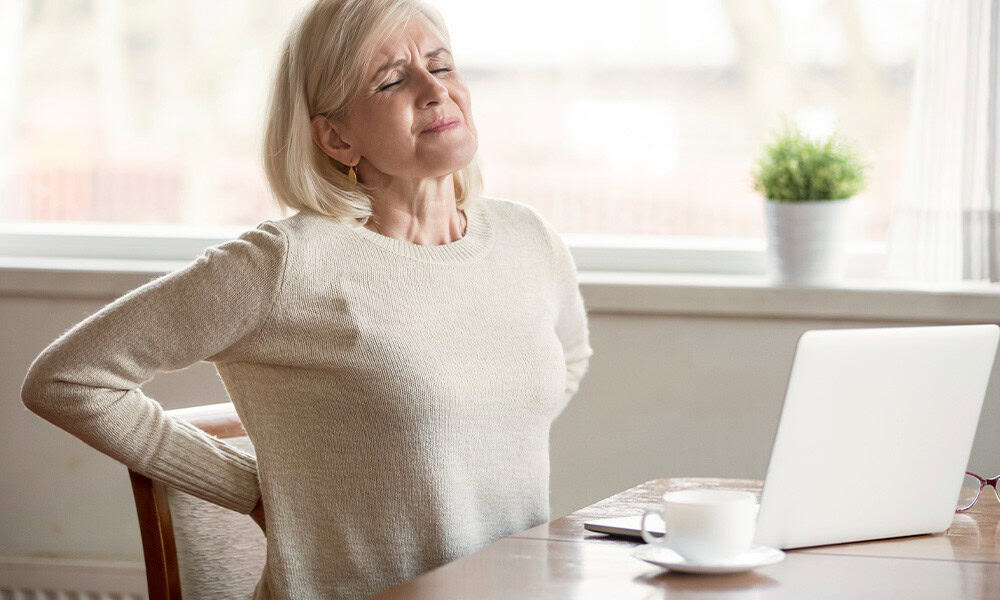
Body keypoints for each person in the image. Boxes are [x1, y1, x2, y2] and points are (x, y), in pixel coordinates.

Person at [19, 0, 594, 598]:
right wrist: (249, 486)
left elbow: (568, 358)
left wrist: (473, 428)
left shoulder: (527, 238)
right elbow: (67, 380)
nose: (433, 90)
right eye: (393, 79)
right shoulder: (287, 265)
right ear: (337, 136)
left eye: (442, 66)